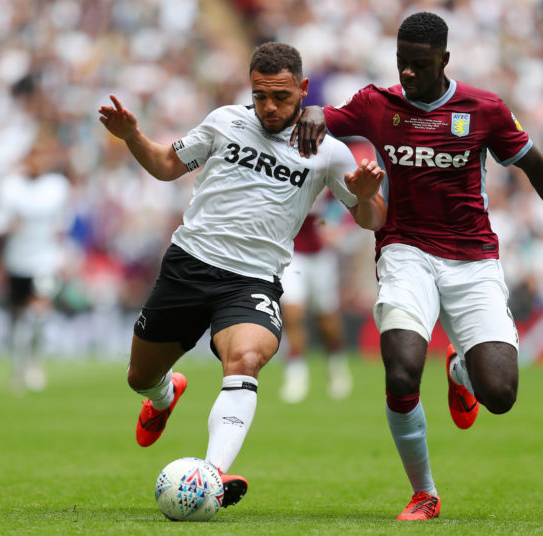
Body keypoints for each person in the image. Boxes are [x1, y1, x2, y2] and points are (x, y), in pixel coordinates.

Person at [291, 11, 543, 521]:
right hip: (405, 252)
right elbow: (322, 116)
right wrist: (312, 112)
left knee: (501, 394)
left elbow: (540, 169)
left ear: (445, 59)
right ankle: (425, 493)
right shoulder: (378, 105)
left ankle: (461, 371)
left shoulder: (484, 109)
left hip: (473, 260)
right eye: (402, 63)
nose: (408, 74)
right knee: (400, 373)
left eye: (419, 65)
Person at [97, 42, 387, 509]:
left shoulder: (329, 153)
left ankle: (211, 475)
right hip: (189, 265)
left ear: (303, 90)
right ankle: (165, 395)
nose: (269, 107)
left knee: (246, 359)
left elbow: (373, 220)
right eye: (260, 95)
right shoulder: (224, 122)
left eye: (281, 97)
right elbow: (167, 166)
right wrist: (133, 136)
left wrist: (369, 195)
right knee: (139, 376)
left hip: (251, 280)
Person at [0, 135, 71, 393]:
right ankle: (18, 370)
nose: (38, 161)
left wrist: (63, 253)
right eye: (34, 155)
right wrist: (7, 227)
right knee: (18, 321)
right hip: (17, 262)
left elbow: (63, 222)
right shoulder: (10, 187)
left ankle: (35, 365)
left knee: (37, 316)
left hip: (45, 261)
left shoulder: (57, 187)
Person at [280, 208, 352, 404]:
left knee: (327, 321)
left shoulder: (326, 179)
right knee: (292, 314)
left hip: (321, 256)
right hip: (291, 254)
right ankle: (296, 376)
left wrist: (334, 228)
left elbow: (343, 206)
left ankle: (336, 367)